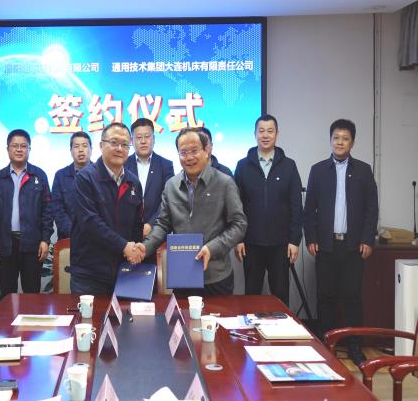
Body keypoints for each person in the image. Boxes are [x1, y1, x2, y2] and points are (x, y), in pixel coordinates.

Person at [304, 119, 378, 366]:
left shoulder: (364, 171)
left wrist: (367, 239)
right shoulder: (318, 170)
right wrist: (311, 238)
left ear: (352, 143)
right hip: (326, 245)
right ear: (330, 140)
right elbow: (309, 208)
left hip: (353, 246)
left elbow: (372, 208)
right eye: (336, 137)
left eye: (345, 138)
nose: (339, 142)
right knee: (325, 297)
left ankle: (355, 346)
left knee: (352, 298)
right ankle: (327, 346)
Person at [143, 127, 247, 296]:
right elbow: (163, 224)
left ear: (206, 151)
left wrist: (212, 248)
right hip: (183, 275)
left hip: (215, 276)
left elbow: (239, 224)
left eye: (194, 151)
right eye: (183, 152)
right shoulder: (171, 186)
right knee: (183, 314)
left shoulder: (224, 183)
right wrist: (144, 247)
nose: (189, 157)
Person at [234, 114, 303, 305]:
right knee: (251, 294)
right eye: (261, 131)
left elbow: (296, 205)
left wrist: (294, 240)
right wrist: (238, 239)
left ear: (277, 134)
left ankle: (280, 326)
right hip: (251, 243)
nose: (265, 135)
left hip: (281, 244)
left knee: (280, 295)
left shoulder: (289, 166)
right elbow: (236, 206)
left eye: (270, 131)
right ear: (255, 134)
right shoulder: (242, 166)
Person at [70, 123, 145, 295]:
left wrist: (135, 249)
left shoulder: (133, 182)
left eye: (125, 144)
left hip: (124, 271)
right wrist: (124, 246)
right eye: (114, 142)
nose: (119, 148)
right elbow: (90, 223)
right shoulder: (85, 178)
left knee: (126, 314)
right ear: (101, 145)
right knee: (88, 314)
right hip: (90, 274)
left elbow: (137, 223)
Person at [0, 129, 53, 298]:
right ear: (7, 149)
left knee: (32, 294)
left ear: (29, 149)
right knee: (7, 294)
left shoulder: (39, 176)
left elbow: (47, 211)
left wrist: (45, 240)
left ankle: (31, 318)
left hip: (32, 243)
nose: (19, 149)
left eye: (23, 146)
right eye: (15, 146)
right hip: (6, 244)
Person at [125, 118, 174, 239]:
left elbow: (168, 199)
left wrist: (151, 224)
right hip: (127, 232)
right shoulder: (123, 164)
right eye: (138, 137)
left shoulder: (166, 165)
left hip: (157, 231)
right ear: (132, 140)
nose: (143, 141)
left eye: (147, 136)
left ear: (154, 139)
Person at [51, 131, 92, 240]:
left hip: (97, 239)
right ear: (70, 151)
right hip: (68, 238)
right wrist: (73, 232)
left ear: (91, 149)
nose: (81, 150)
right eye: (76, 146)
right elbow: (57, 209)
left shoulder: (101, 174)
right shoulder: (60, 176)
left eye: (84, 146)